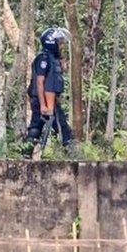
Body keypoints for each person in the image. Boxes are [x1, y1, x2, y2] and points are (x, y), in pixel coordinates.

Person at [26, 27, 74, 156]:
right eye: (59, 42)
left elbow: (54, 79)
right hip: (44, 100)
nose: (61, 46)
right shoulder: (43, 58)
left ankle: (26, 154)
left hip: (49, 99)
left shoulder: (52, 59)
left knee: (36, 126)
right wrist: (43, 104)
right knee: (62, 127)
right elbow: (40, 82)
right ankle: (72, 155)